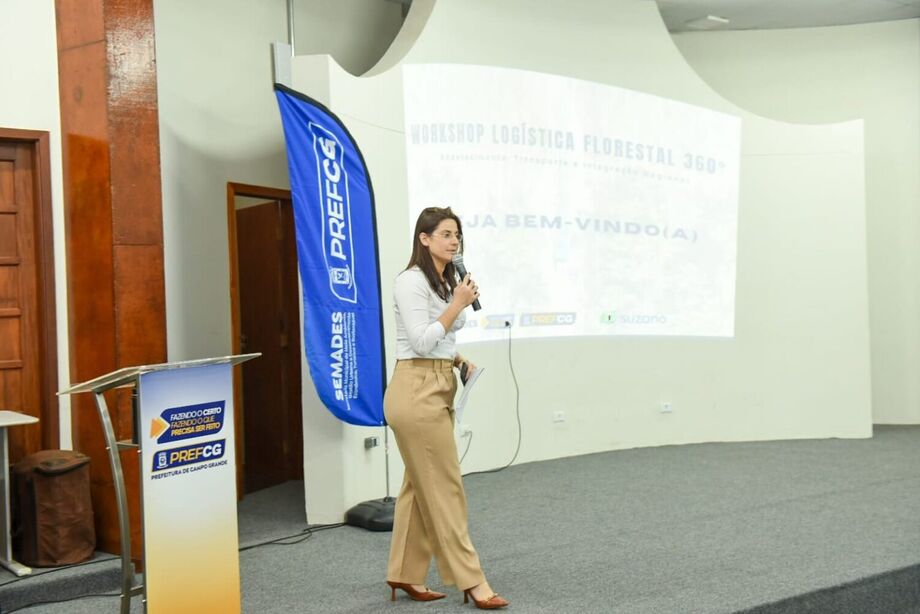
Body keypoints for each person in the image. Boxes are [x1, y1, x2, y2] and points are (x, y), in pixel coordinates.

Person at [384, 207, 509, 610]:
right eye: (445, 234)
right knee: (446, 488)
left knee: (418, 488)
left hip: (437, 383)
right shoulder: (410, 281)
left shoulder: (444, 281)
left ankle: (403, 573)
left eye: (457, 235)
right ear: (424, 239)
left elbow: (437, 342)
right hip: (414, 391)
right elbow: (419, 343)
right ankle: (473, 581)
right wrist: (457, 303)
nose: (454, 241)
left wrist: (457, 360)